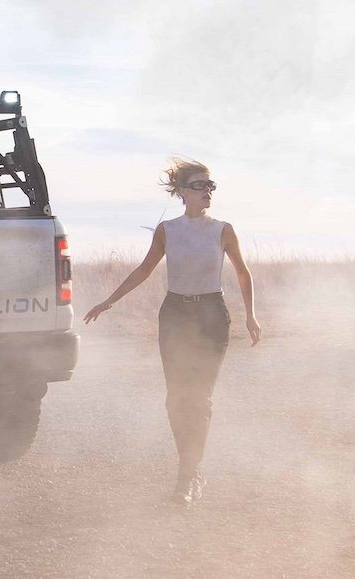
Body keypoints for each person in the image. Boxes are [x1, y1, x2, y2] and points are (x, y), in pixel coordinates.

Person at [83, 159, 262, 506]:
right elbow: (144, 270)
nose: (207, 191)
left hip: (211, 314)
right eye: (200, 185)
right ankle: (189, 467)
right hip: (176, 313)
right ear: (182, 192)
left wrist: (250, 316)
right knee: (176, 399)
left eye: (211, 185)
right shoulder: (167, 230)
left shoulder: (223, 230)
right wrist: (109, 301)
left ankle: (188, 474)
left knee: (199, 398)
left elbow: (243, 273)